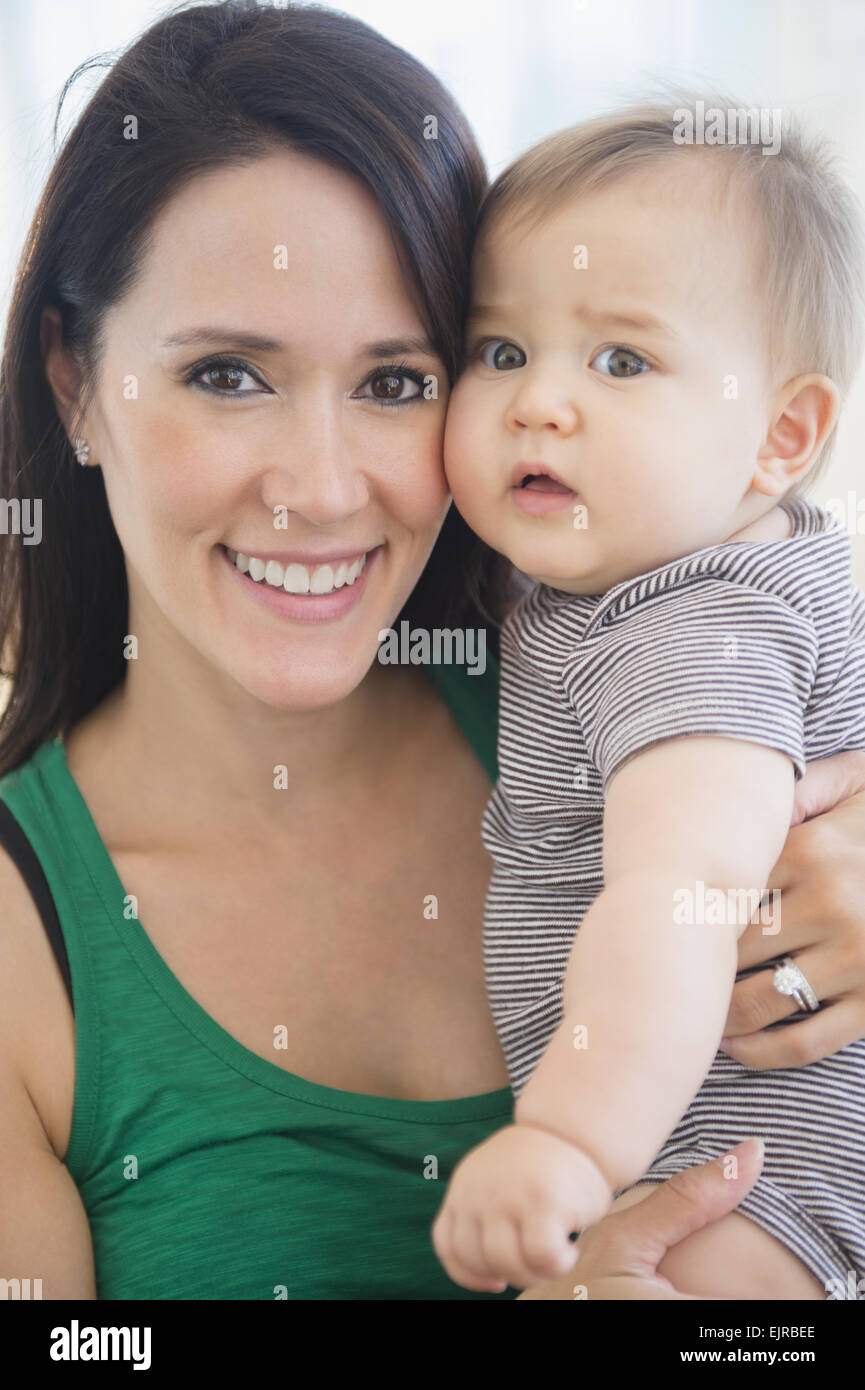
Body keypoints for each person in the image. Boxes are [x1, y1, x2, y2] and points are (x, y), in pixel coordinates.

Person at [1, 2, 865, 1302]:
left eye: (398, 381)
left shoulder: (628, 669)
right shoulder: (30, 945)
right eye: (230, 374)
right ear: (74, 383)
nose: (326, 486)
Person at [435, 96, 865, 1300]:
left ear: (781, 433)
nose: (539, 402)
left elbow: (678, 900)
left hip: (753, 1179)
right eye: (500, 351)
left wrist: (568, 1146)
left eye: (621, 359)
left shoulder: (693, 624)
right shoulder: (637, 572)